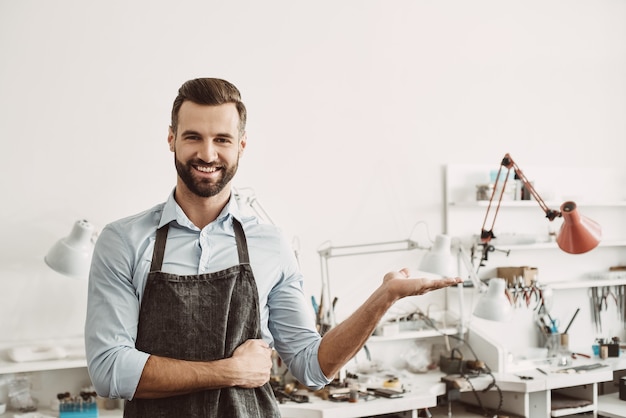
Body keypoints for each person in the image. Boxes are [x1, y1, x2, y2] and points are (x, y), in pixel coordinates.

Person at [84, 77, 462, 418]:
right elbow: (110, 370)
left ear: (242, 145)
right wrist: (229, 372)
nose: (208, 154)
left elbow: (311, 367)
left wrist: (384, 297)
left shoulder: (270, 243)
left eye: (222, 140)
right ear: (171, 139)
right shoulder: (124, 241)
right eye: (193, 137)